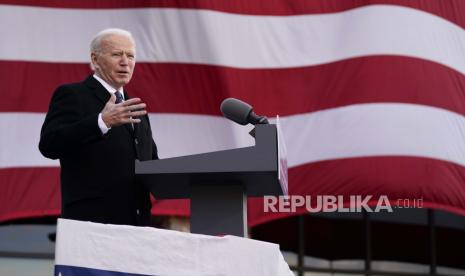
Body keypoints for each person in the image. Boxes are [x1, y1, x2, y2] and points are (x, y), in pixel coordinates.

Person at [39, 28, 158, 226]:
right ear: (95, 60)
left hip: (137, 227)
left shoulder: (136, 108)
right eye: (116, 54)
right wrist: (102, 122)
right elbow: (50, 144)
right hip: (91, 224)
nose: (125, 62)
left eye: (130, 56)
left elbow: (151, 163)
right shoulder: (73, 95)